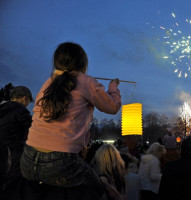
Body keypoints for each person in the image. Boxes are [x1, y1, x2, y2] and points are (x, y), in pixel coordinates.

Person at [20, 42, 121, 197]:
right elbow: (113, 107)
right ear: (83, 63)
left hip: (27, 158)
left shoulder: (48, 83)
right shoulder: (86, 81)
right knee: (100, 188)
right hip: (61, 161)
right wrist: (113, 87)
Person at [0, 83, 33, 186]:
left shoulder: (2, 108)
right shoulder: (20, 110)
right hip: (14, 154)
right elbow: (33, 130)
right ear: (25, 98)